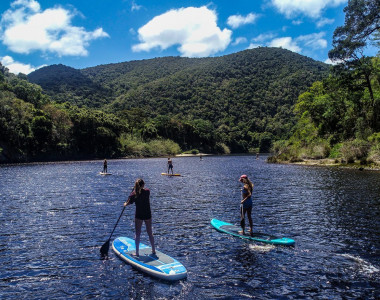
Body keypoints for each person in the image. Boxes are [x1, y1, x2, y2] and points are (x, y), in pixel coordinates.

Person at [124, 178, 155, 257]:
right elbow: (144, 190)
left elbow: (128, 202)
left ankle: (137, 252)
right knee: (149, 232)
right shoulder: (147, 192)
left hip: (139, 215)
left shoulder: (134, 194)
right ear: (143, 185)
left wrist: (125, 203)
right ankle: (153, 249)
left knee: (138, 234)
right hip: (147, 214)